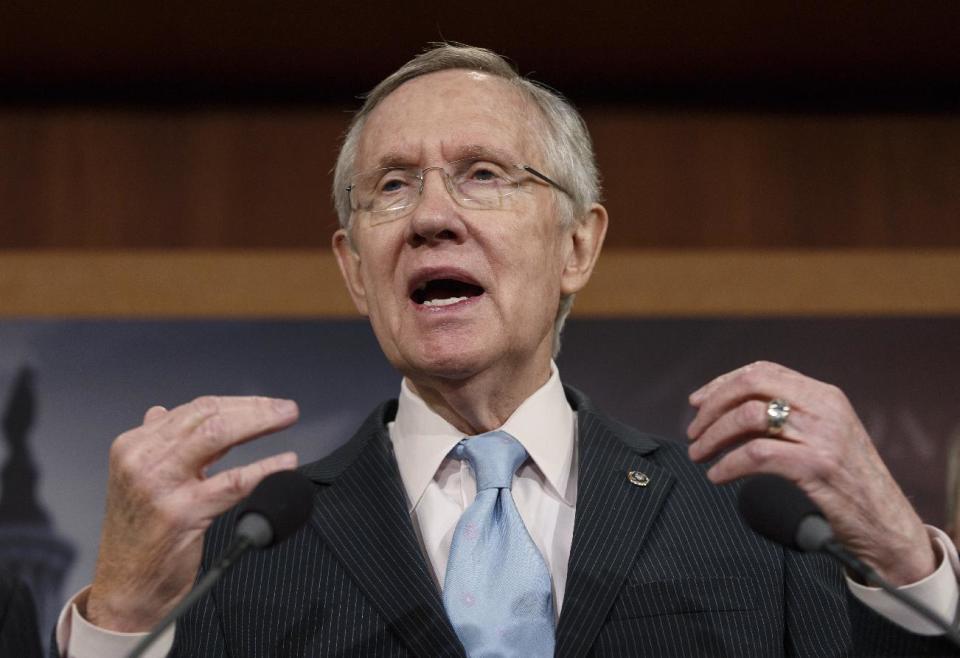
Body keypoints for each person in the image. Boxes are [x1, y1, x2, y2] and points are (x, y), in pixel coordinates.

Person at [56, 44, 959, 657]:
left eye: (485, 175)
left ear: (578, 246)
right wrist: (124, 617)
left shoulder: (755, 526)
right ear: (355, 270)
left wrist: (905, 559)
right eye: (393, 187)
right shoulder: (235, 557)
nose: (433, 217)